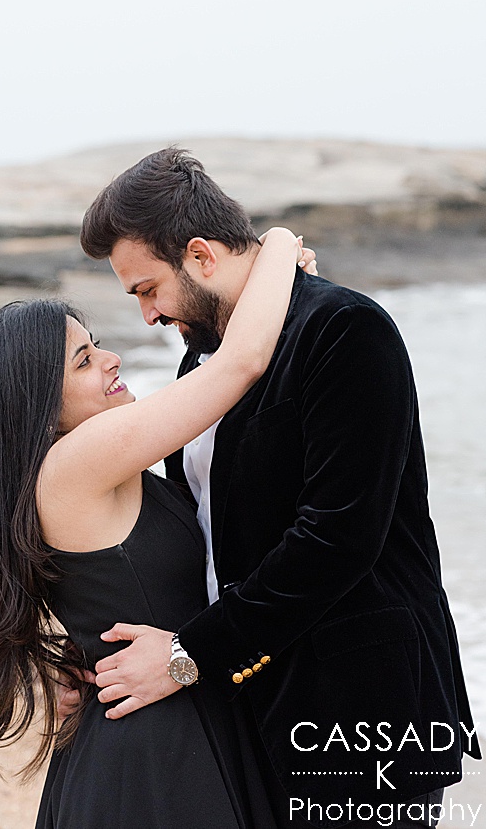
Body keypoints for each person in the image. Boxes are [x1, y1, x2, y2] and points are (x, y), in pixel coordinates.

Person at [78, 148, 481, 828]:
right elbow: (207, 534)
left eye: (147, 289)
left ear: (201, 256)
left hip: (358, 706)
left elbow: (338, 536)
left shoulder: (345, 329)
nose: (147, 315)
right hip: (250, 699)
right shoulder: (201, 362)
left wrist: (186, 656)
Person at [0, 228, 311, 828]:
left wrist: (65, 657)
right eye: (84, 361)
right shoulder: (78, 461)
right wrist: (274, 245)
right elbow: (239, 364)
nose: (111, 358)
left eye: (97, 346)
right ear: (41, 404)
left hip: (156, 724)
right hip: (152, 759)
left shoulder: (74, 473)